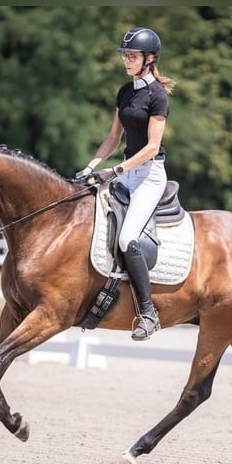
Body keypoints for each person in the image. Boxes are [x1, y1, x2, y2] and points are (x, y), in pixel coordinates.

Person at [76, 27, 176, 341]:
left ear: (149, 59)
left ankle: (148, 313)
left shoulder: (157, 96)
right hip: (125, 173)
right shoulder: (125, 91)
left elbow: (150, 147)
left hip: (148, 177)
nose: (126, 61)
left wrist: (115, 170)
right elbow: (113, 137)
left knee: (126, 239)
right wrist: (92, 165)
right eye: (125, 56)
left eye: (131, 56)